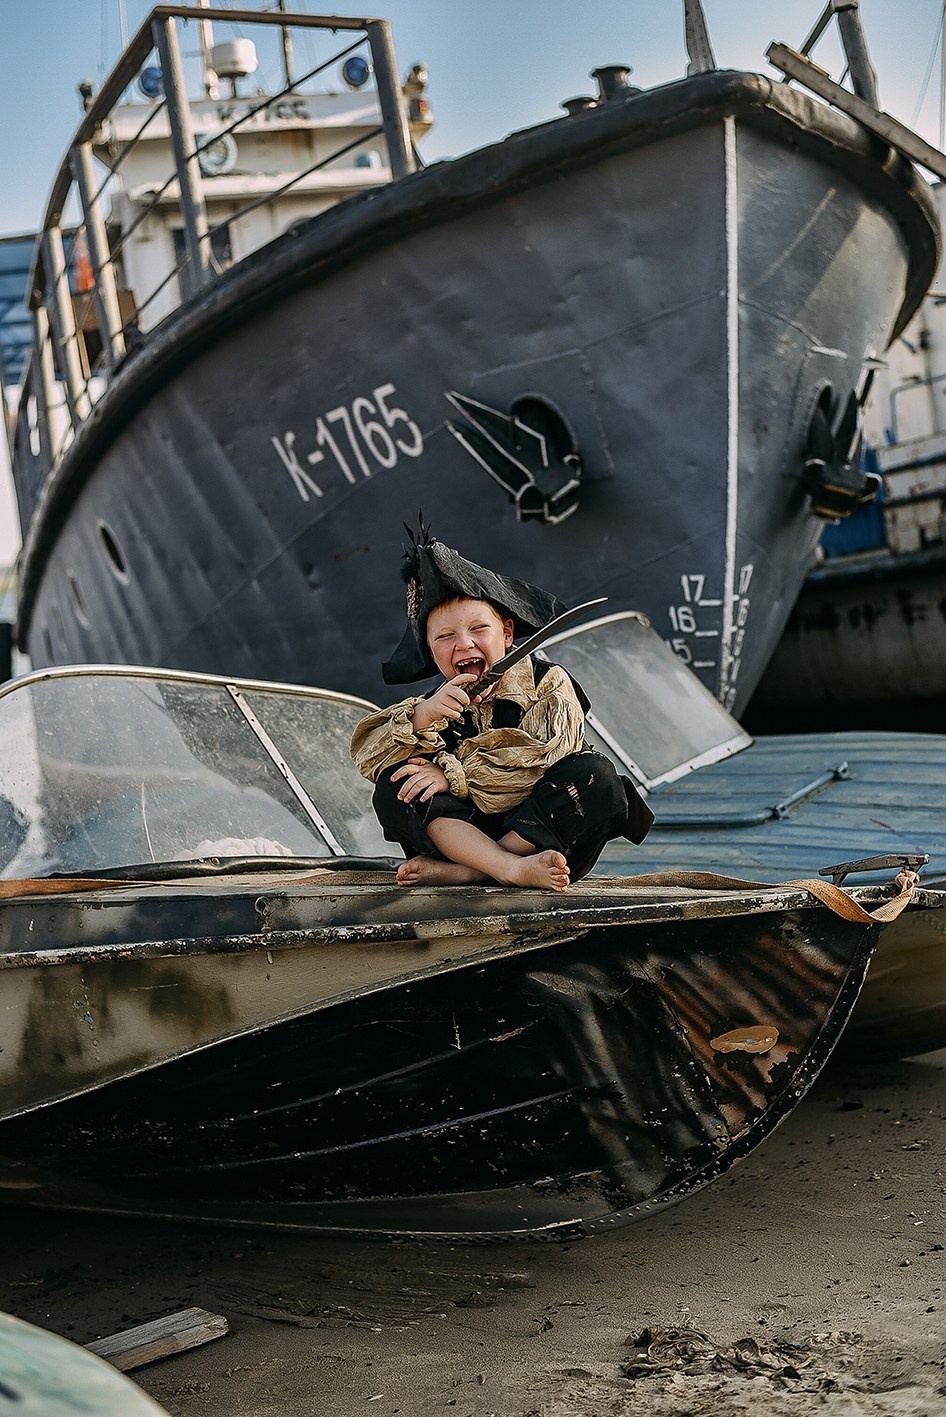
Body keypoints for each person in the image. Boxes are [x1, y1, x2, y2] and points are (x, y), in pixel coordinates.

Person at [350, 522, 653, 892]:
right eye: (445, 636)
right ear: (432, 653)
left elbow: (543, 757)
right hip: (463, 839)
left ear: (507, 634)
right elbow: (367, 756)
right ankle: (499, 866)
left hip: (542, 840)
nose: (463, 645)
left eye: (478, 629)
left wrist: (452, 773)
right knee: (394, 781)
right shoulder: (435, 702)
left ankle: (481, 870)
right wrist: (424, 715)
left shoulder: (548, 682)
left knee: (596, 774)